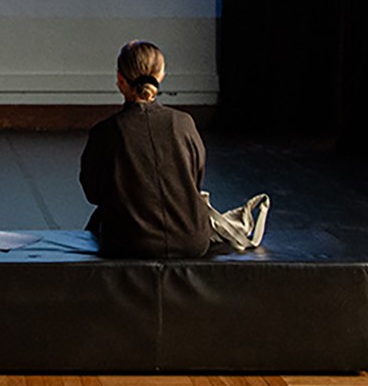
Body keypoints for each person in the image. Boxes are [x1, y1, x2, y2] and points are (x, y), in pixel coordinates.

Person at [79, 40, 268, 258]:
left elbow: (93, 193)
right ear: (161, 76)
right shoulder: (183, 123)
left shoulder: (104, 132)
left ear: (120, 80)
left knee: (100, 219)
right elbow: (194, 181)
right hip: (193, 240)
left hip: (128, 244)